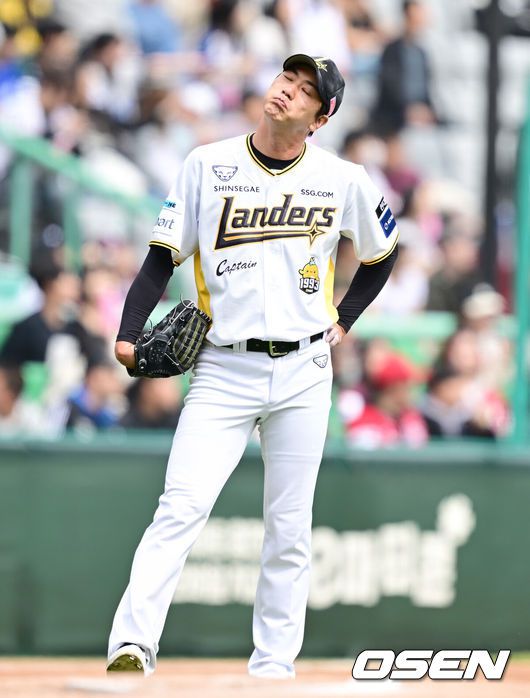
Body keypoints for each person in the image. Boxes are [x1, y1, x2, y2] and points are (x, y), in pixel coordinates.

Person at [106, 54, 398, 678]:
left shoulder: (343, 179)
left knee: (289, 527)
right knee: (181, 505)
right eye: (287, 78)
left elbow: (383, 252)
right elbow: (160, 258)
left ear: (320, 118)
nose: (288, 91)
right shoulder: (207, 164)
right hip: (223, 367)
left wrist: (345, 319)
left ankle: (273, 668)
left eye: (305, 90)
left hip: (304, 369)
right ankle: (132, 646)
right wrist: (129, 333)